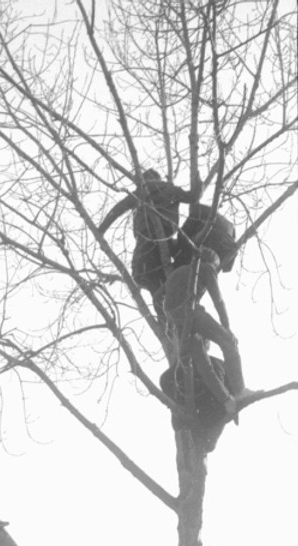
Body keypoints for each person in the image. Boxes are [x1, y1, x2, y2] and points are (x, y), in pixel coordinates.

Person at [96, 169, 197, 311]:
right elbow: (193, 197)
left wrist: (100, 230)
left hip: (145, 242)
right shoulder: (170, 189)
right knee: (169, 282)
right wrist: (197, 178)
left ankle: (165, 323)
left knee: (148, 279)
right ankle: (178, 312)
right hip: (166, 240)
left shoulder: (140, 192)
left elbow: (117, 210)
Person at [161, 247, 243, 418]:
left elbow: (160, 298)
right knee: (228, 342)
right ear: (211, 263)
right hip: (190, 311)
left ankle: (226, 400)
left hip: (177, 319)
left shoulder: (178, 272)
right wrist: (227, 328)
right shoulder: (206, 268)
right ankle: (240, 390)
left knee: (201, 361)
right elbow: (218, 300)